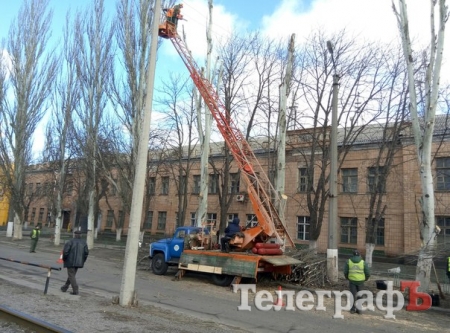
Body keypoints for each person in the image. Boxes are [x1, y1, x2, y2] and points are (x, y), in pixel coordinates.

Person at [61, 230, 89, 295]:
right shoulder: (84, 243)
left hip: (70, 261)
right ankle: (65, 287)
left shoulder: (70, 242)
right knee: (72, 275)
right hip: (79, 262)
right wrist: (83, 261)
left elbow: (65, 252)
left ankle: (75, 290)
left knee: (71, 275)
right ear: (81, 235)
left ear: (74, 235)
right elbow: (86, 253)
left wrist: (64, 259)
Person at [344, 249, 370, 314]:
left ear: (352, 255)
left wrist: (347, 277)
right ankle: (359, 310)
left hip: (352, 281)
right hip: (361, 281)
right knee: (360, 295)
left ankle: (352, 309)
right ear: (359, 255)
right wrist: (366, 278)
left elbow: (345, 272)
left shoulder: (348, 262)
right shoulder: (363, 262)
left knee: (352, 295)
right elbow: (367, 272)